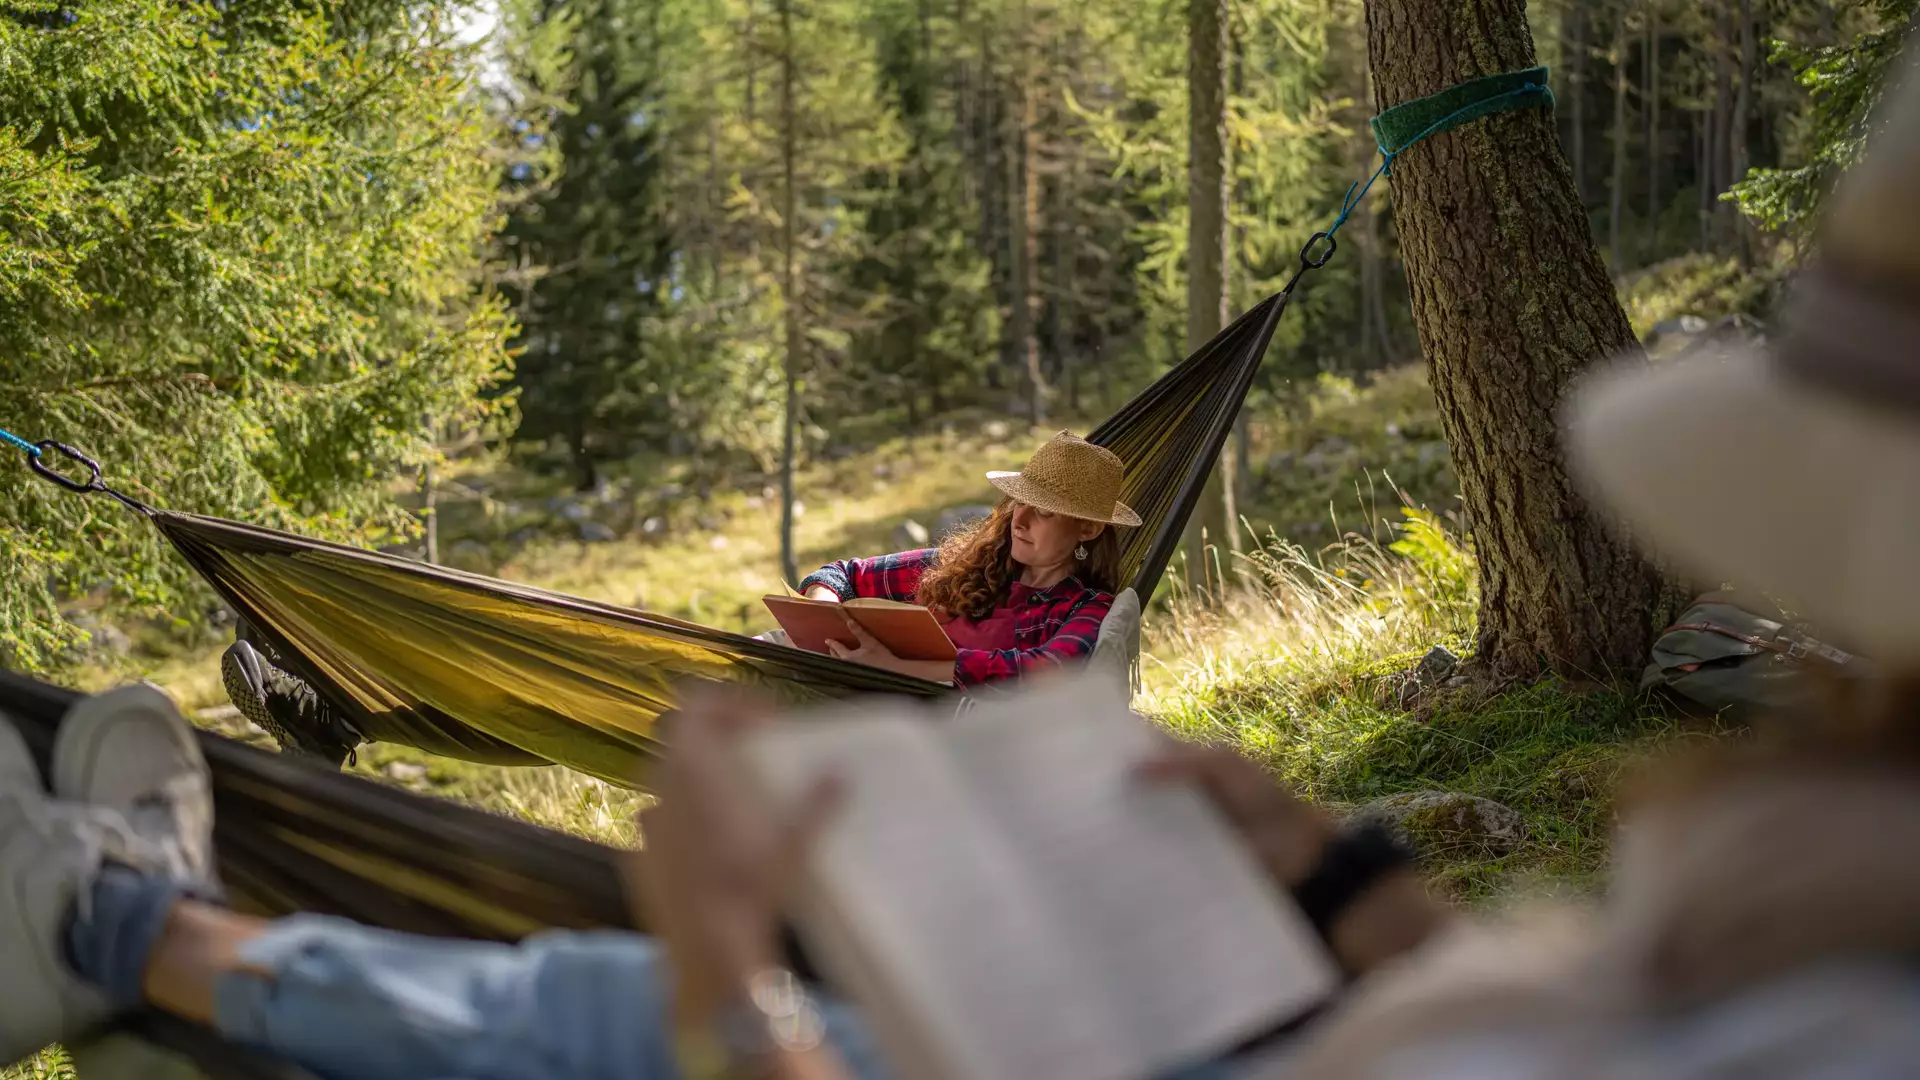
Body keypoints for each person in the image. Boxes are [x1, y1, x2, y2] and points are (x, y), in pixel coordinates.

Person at [794, 429, 1138, 688]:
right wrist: (823, 612)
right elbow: (843, 574)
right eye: (1020, 503)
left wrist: (897, 665)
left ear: (1088, 529)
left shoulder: (1085, 607)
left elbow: (1039, 670)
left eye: (1044, 513)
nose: (1019, 521)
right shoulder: (967, 564)